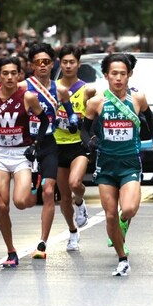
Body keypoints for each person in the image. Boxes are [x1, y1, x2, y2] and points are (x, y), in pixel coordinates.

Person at [81, 53, 153, 276]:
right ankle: (122, 258)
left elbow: (152, 120)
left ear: (130, 75)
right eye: (114, 73)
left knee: (128, 208)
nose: (118, 78)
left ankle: (123, 222)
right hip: (106, 165)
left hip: (130, 163)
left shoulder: (138, 99)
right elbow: (84, 130)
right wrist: (90, 143)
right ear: (106, 75)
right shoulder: (96, 102)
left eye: (123, 74)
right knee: (109, 215)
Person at [0, 57, 47, 268]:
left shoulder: (28, 97)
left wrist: (36, 143)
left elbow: (44, 120)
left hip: (20, 155)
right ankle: (11, 251)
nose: (9, 77)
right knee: (2, 205)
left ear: (19, 75)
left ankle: (33, 191)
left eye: (13, 73)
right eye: (5, 73)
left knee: (20, 201)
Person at [18, 43, 78, 259]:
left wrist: (72, 121)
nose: (42, 66)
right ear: (31, 65)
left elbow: (70, 112)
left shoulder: (60, 90)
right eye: (38, 62)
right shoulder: (22, 87)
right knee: (25, 200)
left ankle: (43, 243)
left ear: (52, 65)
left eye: (46, 62)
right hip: (25, 145)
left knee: (49, 191)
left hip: (49, 143)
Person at [54, 45, 96, 252]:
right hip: (57, 145)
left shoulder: (87, 89)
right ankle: (72, 232)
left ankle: (80, 201)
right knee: (63, 196)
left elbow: (95, 114)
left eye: (72, 62)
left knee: (75, 183)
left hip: (78, 145)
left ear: (78, 64)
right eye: (65, 62)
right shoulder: (52, 88)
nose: (68, 66)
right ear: (60, 64)